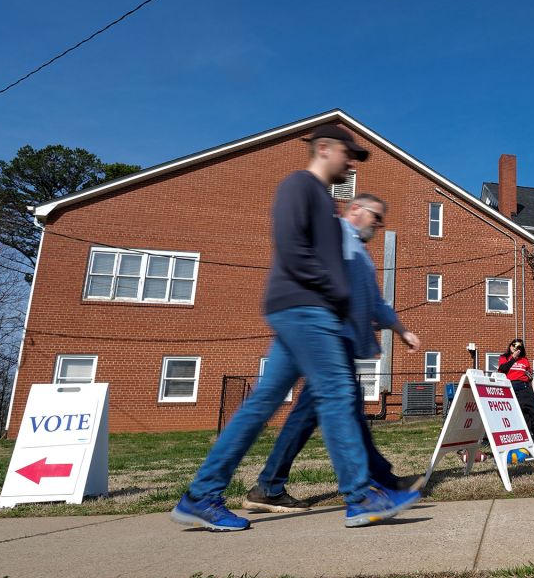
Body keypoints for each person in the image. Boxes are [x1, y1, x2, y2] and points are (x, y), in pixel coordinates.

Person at [170, 125, 421, 532]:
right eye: (347, 153)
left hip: (308, 311)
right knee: (338, 396)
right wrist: (336, 294)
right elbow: (292, 251)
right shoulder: (300, 187)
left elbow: (356, 286)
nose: (351, 161)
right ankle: (361, 496)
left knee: (261, 405)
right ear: (323, 148)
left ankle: (203, 494)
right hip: (306, 309)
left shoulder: (323, 201)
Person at [243, 194, 423, 513]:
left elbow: (375, 303)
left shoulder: (360, 252)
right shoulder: (337, 236)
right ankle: (372, 483)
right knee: (336, 412)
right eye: (375, 217)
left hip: (341, 343)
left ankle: (270, 485)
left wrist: (400, 329)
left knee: (314, 414)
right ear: (356, 210)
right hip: (328, 342)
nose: (379, 225)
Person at [496, 339, 534, 455]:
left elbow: (529, 374)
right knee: (516, 415)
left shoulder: (524, 360)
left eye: (519, 347)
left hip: (524, 387)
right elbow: (503, 369)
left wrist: (529, 375)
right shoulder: (504, 357)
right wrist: (513, 357)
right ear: (510, 346)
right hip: (511, 386)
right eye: (513, 345)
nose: (515, 348)